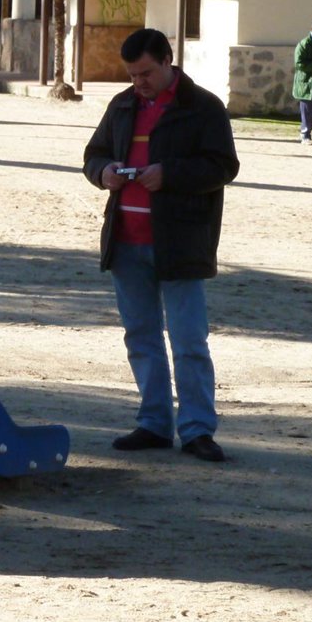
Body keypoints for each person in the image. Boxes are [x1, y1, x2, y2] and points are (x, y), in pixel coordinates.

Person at [82, 28, 240, 463]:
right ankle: (154, 422)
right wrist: (104, 173)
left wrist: (168, 174)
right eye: (133, 75)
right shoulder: (122, 106)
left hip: (180, 242)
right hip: (126, 242)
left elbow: (223, 166)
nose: (140, 83)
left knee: (189, 341)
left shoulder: (204, 107)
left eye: (146, 73)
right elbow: (93, 155)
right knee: (141, 337)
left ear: (168, 61)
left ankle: (197, 430)